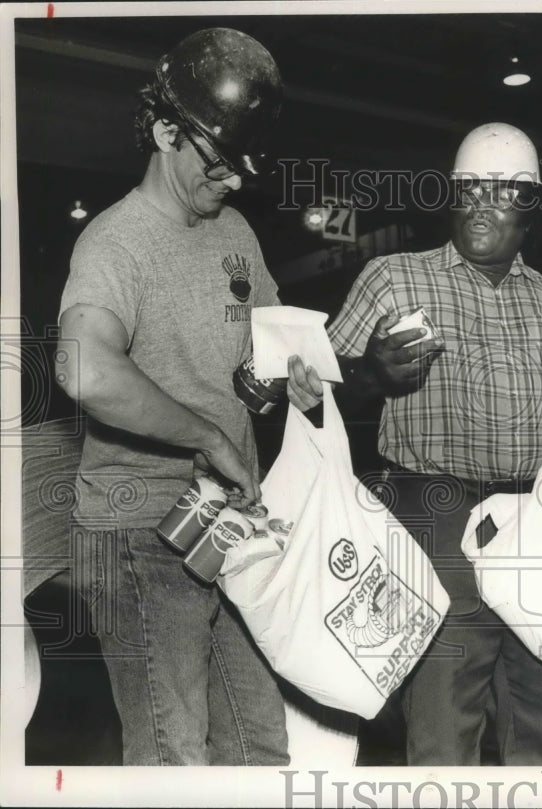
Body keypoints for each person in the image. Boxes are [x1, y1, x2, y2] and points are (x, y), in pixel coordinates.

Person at [287, 122, 542, 765]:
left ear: (529, 209)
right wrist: (372, 372)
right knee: (444, 709)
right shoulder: (393, 280)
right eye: (469, 189)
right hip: (433, 510)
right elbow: (313, 390)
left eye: (500, 192)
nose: (479, 204)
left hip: (537, 514)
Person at [55, 28, 289, 766]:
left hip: (224, 526)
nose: (235, 183)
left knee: (259, 747)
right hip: (139, 531)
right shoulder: (115, 243)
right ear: (165, 131)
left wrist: (282, 373)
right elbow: (84, 367)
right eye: (221, 165)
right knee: (173, 755)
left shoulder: (236, 231)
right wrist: (208, 436)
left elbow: (268, 340)